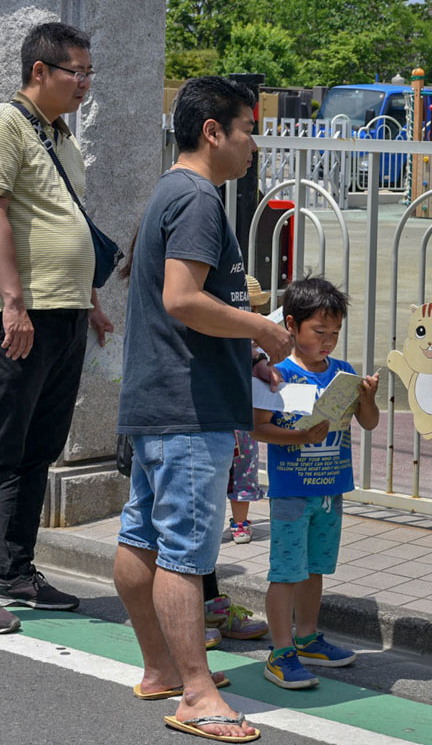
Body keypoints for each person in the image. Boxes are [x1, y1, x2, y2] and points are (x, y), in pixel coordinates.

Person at [113, 76, 291, 743]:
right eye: (247, 128)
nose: (254, 143)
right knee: (185, 552)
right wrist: (261, 331)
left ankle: (161, 666)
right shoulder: (196, 198)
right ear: (212, 131)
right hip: (188, 408)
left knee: (141, 537)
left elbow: (178, 310)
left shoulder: (171, 190)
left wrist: (243, 355)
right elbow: (183, 299)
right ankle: (195, 692)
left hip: (161, 396)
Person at [0, 22, 113, 635]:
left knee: (39, 448)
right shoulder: (8, 124)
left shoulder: (62, 136)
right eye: (78, 72)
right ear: (39, 71)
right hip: (25, 314)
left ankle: (16, 570)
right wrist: (11, 304)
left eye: (89, 72)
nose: (85, 83)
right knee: (2, 446)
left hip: (66, 311)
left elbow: (68, 220)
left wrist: (90, 299)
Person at [253, 275, 379, 690]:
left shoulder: (343, 372)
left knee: (314, 569)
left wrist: (367, 397)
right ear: (291, 324)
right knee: (286, 571)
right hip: (291, 490)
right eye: (319, 331)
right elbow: (259, 429)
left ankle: (307, 638)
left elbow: (369, 422)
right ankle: (280, 651)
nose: (328, 341)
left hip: (330, 489)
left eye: (335, 333)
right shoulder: (276, 373)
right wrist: (300, 437)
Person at [229, 275, 272, 545]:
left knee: (244, 468)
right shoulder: (219, 334)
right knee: (219, 470)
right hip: (220, 415)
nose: (253, 314)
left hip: (244, 420)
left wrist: (264, 364)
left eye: (255, 310)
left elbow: (261, 365)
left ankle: (240, 522)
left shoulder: (255, 346)